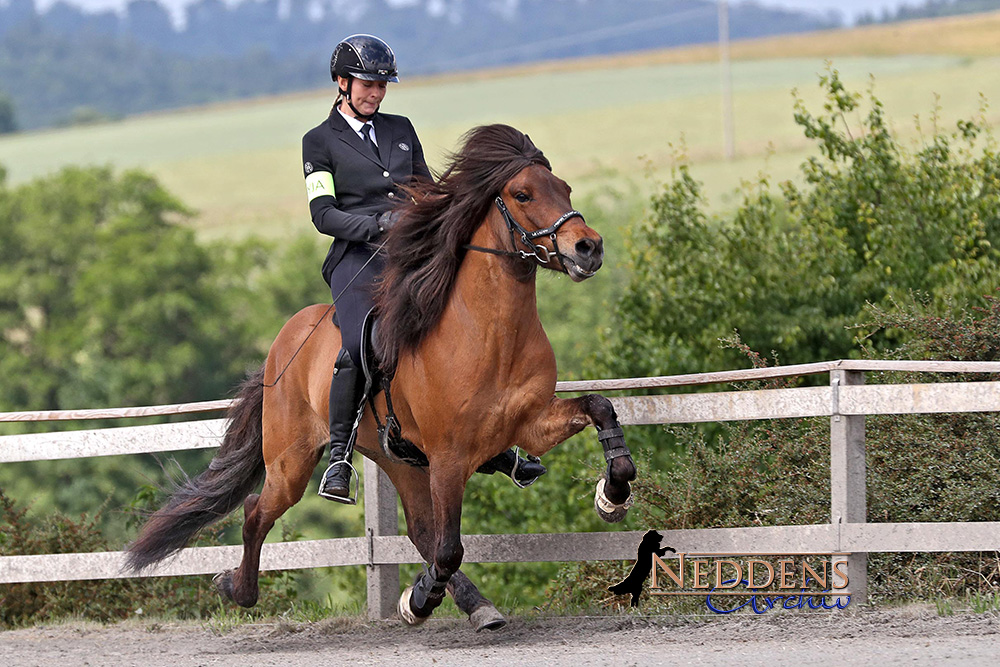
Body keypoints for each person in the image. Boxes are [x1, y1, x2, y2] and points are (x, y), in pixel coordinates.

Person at [303, 34, 546, 503]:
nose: (376, 93)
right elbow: (323, 214)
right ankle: (339, 455)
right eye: (368, 84)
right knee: (357, 343)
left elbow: (427, 188)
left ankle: (495, 447)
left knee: (465, 325)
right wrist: (377, 222)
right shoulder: (319, 141)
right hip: (358, 258)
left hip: (413, 253)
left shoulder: (401, 128)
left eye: (382, 85)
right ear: (342, 82)